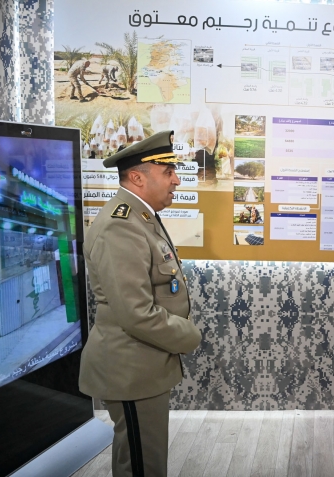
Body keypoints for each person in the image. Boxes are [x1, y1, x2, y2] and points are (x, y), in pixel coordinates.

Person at [79, 130, 202, 477]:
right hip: (129, 369)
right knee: (141, 465)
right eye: (168, 172)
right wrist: (188, 335)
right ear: (137, 177)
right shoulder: (121, 226)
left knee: (146, 458)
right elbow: (136, 313)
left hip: (143, 366)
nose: (176, 180)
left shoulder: (140, 217)